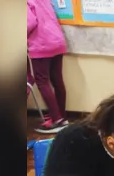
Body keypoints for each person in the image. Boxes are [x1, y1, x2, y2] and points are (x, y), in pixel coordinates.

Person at [27, 0, 69, 133]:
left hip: (42, 44)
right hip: (57, 41)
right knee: (57, 79)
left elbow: (29, 23)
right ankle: (61, 115)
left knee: (42, 81)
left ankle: (56, 120)